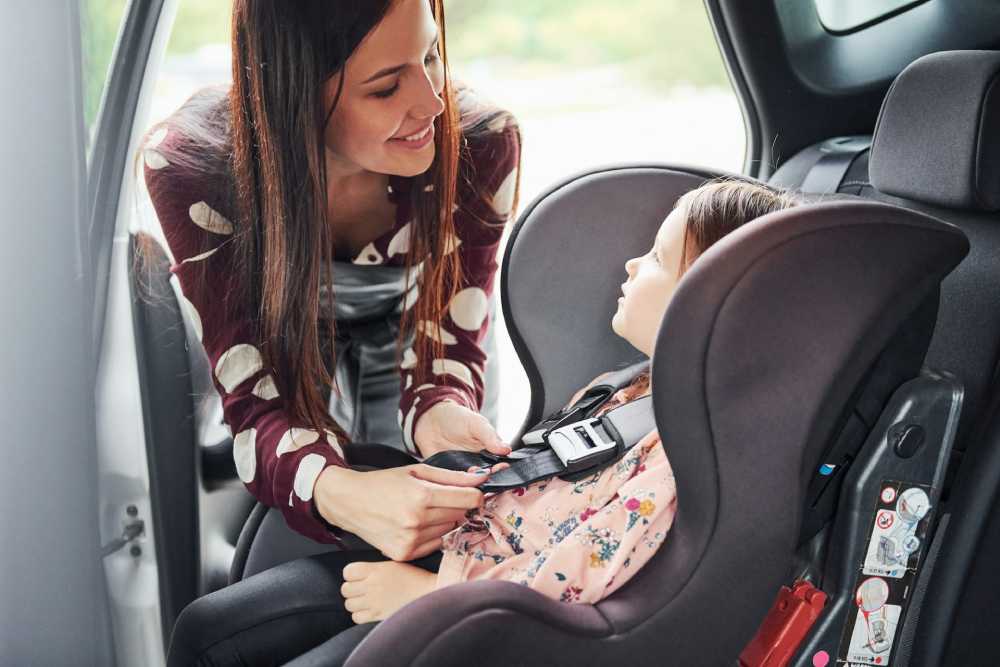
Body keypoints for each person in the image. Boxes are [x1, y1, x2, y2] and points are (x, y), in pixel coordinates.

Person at [166, 179, 801, 665]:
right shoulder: (628, 389)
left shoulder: (681, 459)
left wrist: (428, 599)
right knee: (204, 628)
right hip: (457, 559)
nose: (632, 265)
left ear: (715, 306)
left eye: (657, 259)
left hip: (474, 616)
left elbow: (577, 579)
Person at [142, 0, 521, 566]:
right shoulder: (193, 166)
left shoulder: (482, 141)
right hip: (284, 328)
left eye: (431, 56)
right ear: (295, 95)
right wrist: (337, 490)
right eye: (386, 88)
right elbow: (256, 400)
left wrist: (440, 409)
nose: (434, 103)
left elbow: (448, 341)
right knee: (297, 525)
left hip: (420, 319)